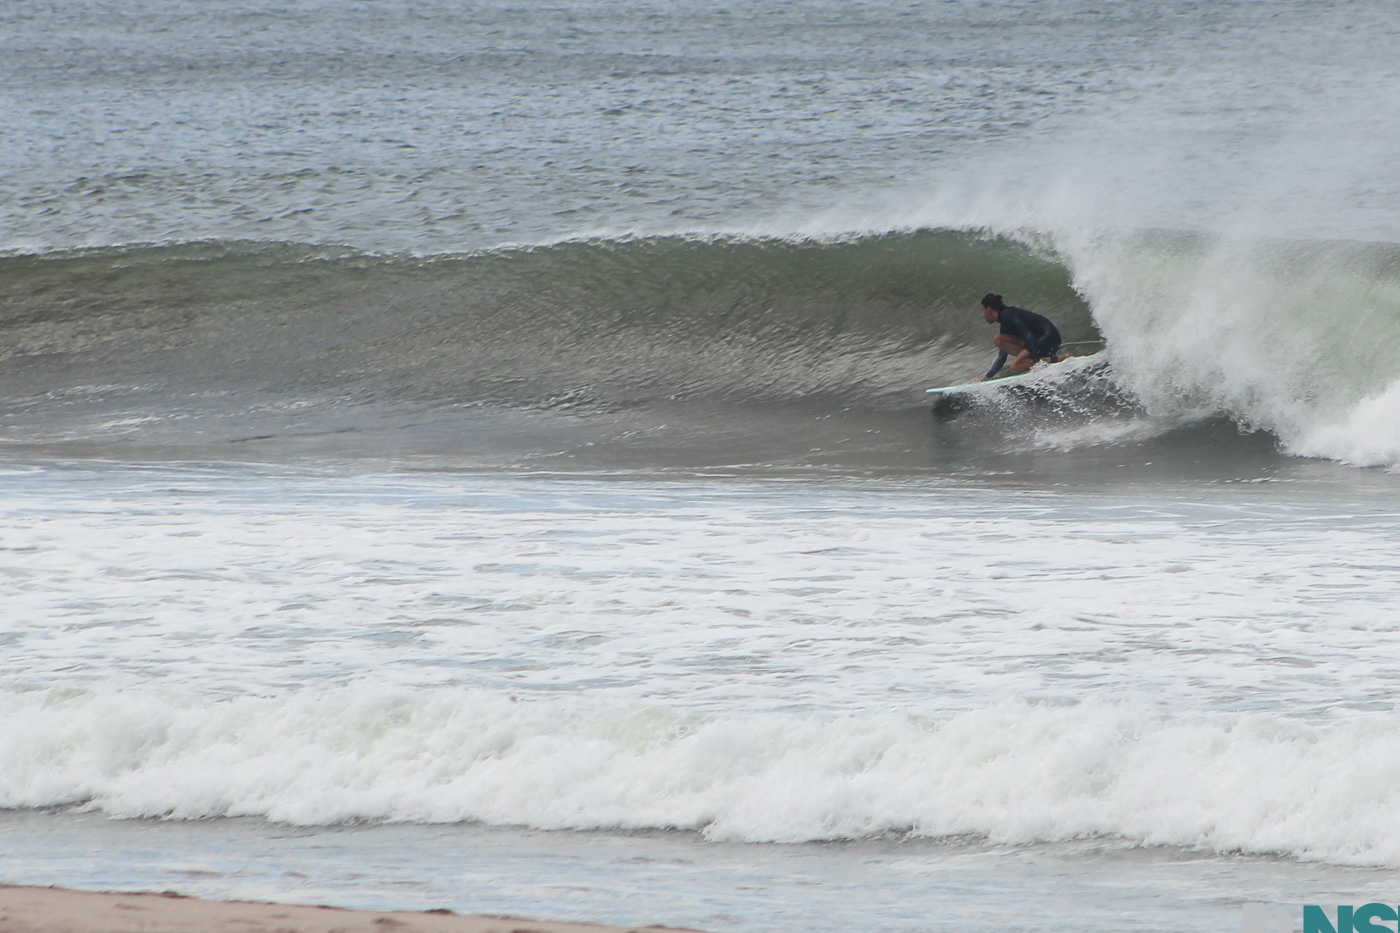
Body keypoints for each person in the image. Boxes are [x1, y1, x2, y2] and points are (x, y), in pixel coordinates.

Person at [979, 293, 1063, 380]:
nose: (983, 315)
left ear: (988, 310)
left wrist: (1036, 361)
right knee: (1001, 342)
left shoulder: (1008, 315)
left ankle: (1053, 360)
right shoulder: (1004, 323)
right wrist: (986, 377)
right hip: (1039, 342)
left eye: (983, 311)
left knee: (1015, 365)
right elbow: (1002, 357)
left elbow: (1028, 335)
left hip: (1048, 338)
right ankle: (1051, 360)